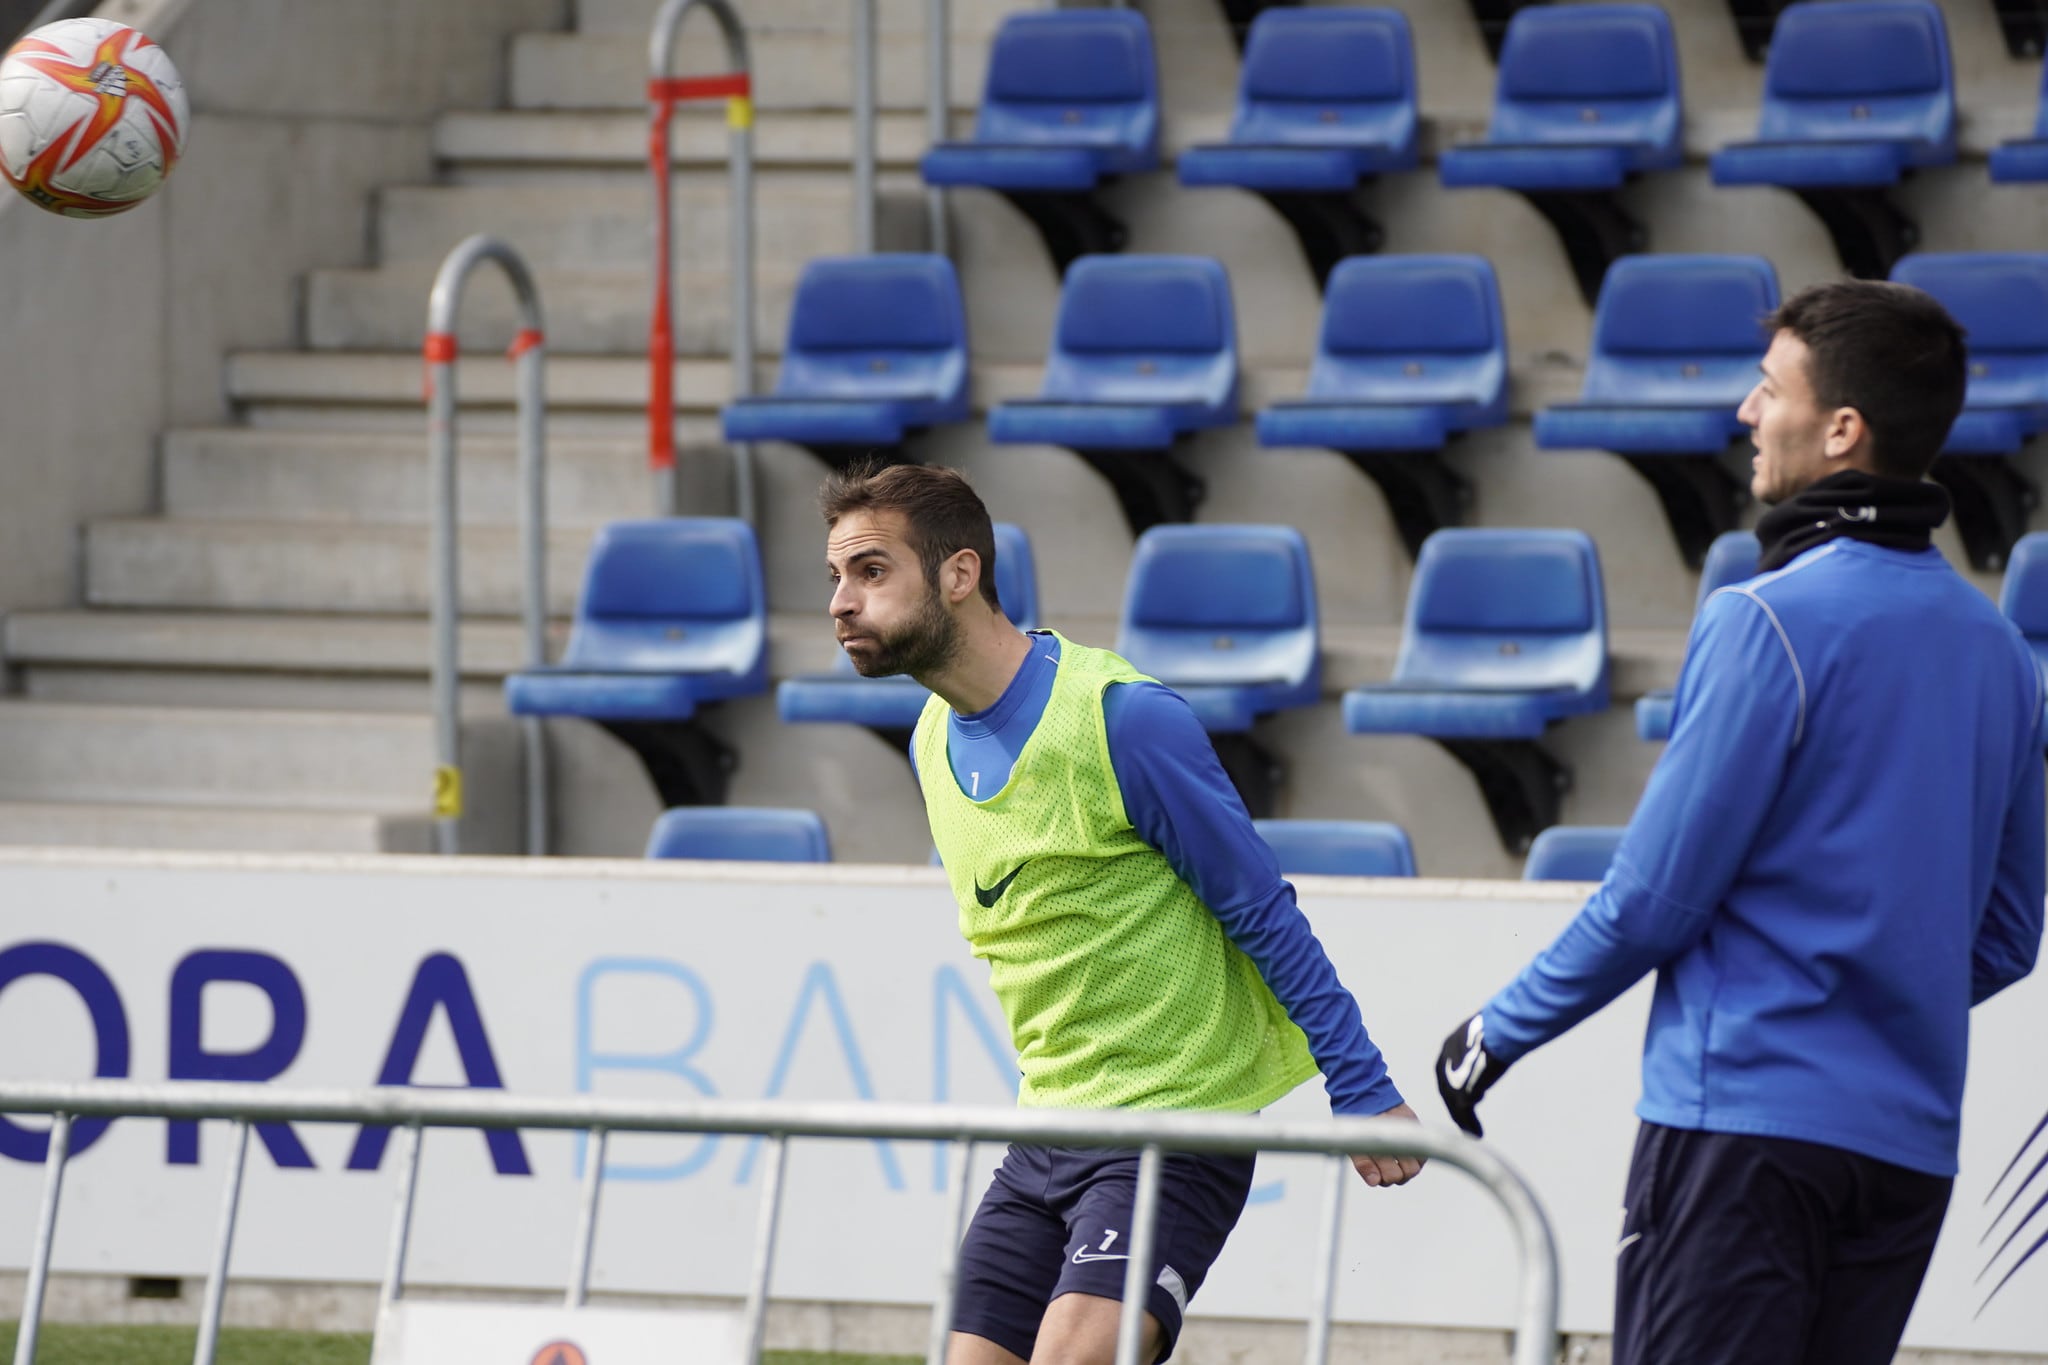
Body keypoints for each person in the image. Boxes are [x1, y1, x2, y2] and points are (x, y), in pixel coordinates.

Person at [1434, 279, 2046, 1365]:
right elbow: (2003, 939)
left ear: (1841, 429)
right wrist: (1868, 984)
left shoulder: (1763, 619)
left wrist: (1494, 1032)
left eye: (1768, 389)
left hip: (1743, 1137)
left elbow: (1652, 901)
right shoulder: (2001, 655)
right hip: (1905, 1155)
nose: (1743, 413)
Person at [817, 463, 1420, 1365]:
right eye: (834, 577)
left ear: (958, 573)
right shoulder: (932, 739)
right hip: (1047, 1131)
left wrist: (1361, 1082)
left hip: (1174, 1129)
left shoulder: (1122, 720)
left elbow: (1263, 909)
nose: (840, 601)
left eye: (870, 570)